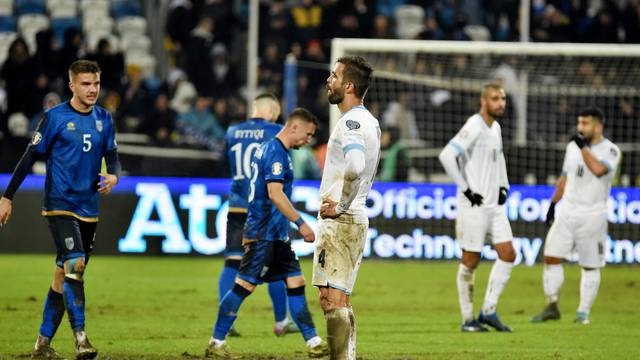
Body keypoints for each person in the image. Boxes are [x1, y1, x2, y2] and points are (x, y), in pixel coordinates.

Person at [0, 60, 121, 359]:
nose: (92, 90)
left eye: (95, 83)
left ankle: (42, 344)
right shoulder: (54, 118)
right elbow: (29, 157)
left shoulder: (104, 118)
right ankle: (82, 340)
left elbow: (112, 153)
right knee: (76, 264)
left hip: (89, 206)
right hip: (60, 204)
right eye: (85, 84)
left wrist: (114, 174)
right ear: (72, 86)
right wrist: (7, 196)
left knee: (63, 276)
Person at [205, 108, 329, 359]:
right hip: (263, 233)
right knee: (244, 286)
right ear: (294, 127)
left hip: (276, 234)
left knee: (296, 282)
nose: (308, 141)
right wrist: (301, 223)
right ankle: (216, 341)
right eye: (308, 134)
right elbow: (275, 194)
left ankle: (314, 342)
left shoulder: (272, 149)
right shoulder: (274, 152)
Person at [314, 56, 380, 360]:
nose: (329, 81)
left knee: (332, 300)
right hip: (353, 217)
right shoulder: (370, 121)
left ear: (348, 85)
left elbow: (355, 165)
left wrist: (340, 204)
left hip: (342, 221)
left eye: (334, 76)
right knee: (338, 298)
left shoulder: (350, 122)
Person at [438, 83, 516, 333]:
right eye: (495, 99)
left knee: (508, 254)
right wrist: (466, 189)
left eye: (502, 99)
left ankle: (489, 310)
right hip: (474, 206)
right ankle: (468, 319)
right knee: (471, 259)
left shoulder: (496, 128)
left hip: (494, 206)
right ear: (483, 101)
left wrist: (504, 184)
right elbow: (447, 156)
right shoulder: (474, 125)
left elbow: (499, 157)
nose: (500, 103)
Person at [531, 107, 621, 325]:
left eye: (585, 123)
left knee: (590, 265)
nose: (580, 128)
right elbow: (564, 177)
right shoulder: (572, 147)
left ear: (598, 126)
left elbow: (599, 170)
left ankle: (583, 314)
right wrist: (553, 204)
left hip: (592, 215)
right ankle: (552, 306)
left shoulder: (611, 150)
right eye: (579, 123)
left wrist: (583, 149)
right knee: (551, 256)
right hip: (567, 212)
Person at [219, 93, 297, 337]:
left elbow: (226, 162)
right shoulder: (276, 130)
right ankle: (281, 321)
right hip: (264, 208)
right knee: (275, 262)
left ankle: (227, 322)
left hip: (236, 206)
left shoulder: (232, 132)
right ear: (273, 111)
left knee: (232, 261)